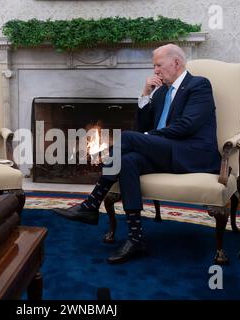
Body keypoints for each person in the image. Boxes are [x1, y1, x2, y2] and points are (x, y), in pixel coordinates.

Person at [53, 44, 221, 264]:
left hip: (191, 153)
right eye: (154, 66)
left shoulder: (198, 85)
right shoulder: (160, 92)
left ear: (176, 63)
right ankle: (136, 237)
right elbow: (140, 125)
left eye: (158, 65)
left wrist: (147, 135)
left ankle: (91, 204)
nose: (155, 71)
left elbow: (186, 126)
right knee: (127, 160)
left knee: (128, 138)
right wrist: (145, 95)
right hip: (165, 153)